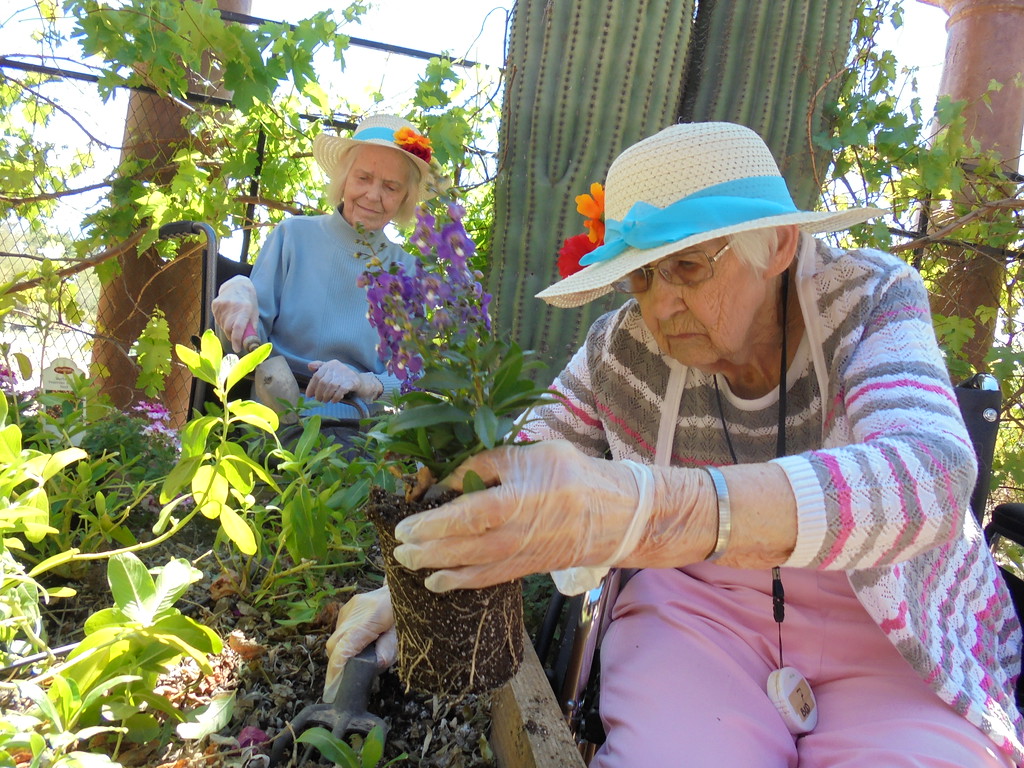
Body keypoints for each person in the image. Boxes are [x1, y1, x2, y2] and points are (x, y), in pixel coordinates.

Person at [325, 122, 1024, 766]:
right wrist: (413, 584)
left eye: (688, 265)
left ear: (778, 245)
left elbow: (931, 475)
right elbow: (521, 464)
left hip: (885, 621)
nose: (658, 306)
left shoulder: (868, 300)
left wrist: (659, 511)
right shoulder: (622, 349)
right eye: (640, 275)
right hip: (699, 614)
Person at [212, 113, 439, 427]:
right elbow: (236, 350)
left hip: (358, 428)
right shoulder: (292, 236)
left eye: (390, 187)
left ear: (404, 198)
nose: (373, 195)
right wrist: (236, 291)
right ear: (344, 178)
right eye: (363, 178)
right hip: (274, 420)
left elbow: (413, 377)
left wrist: (364, 382)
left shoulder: (408, 271)